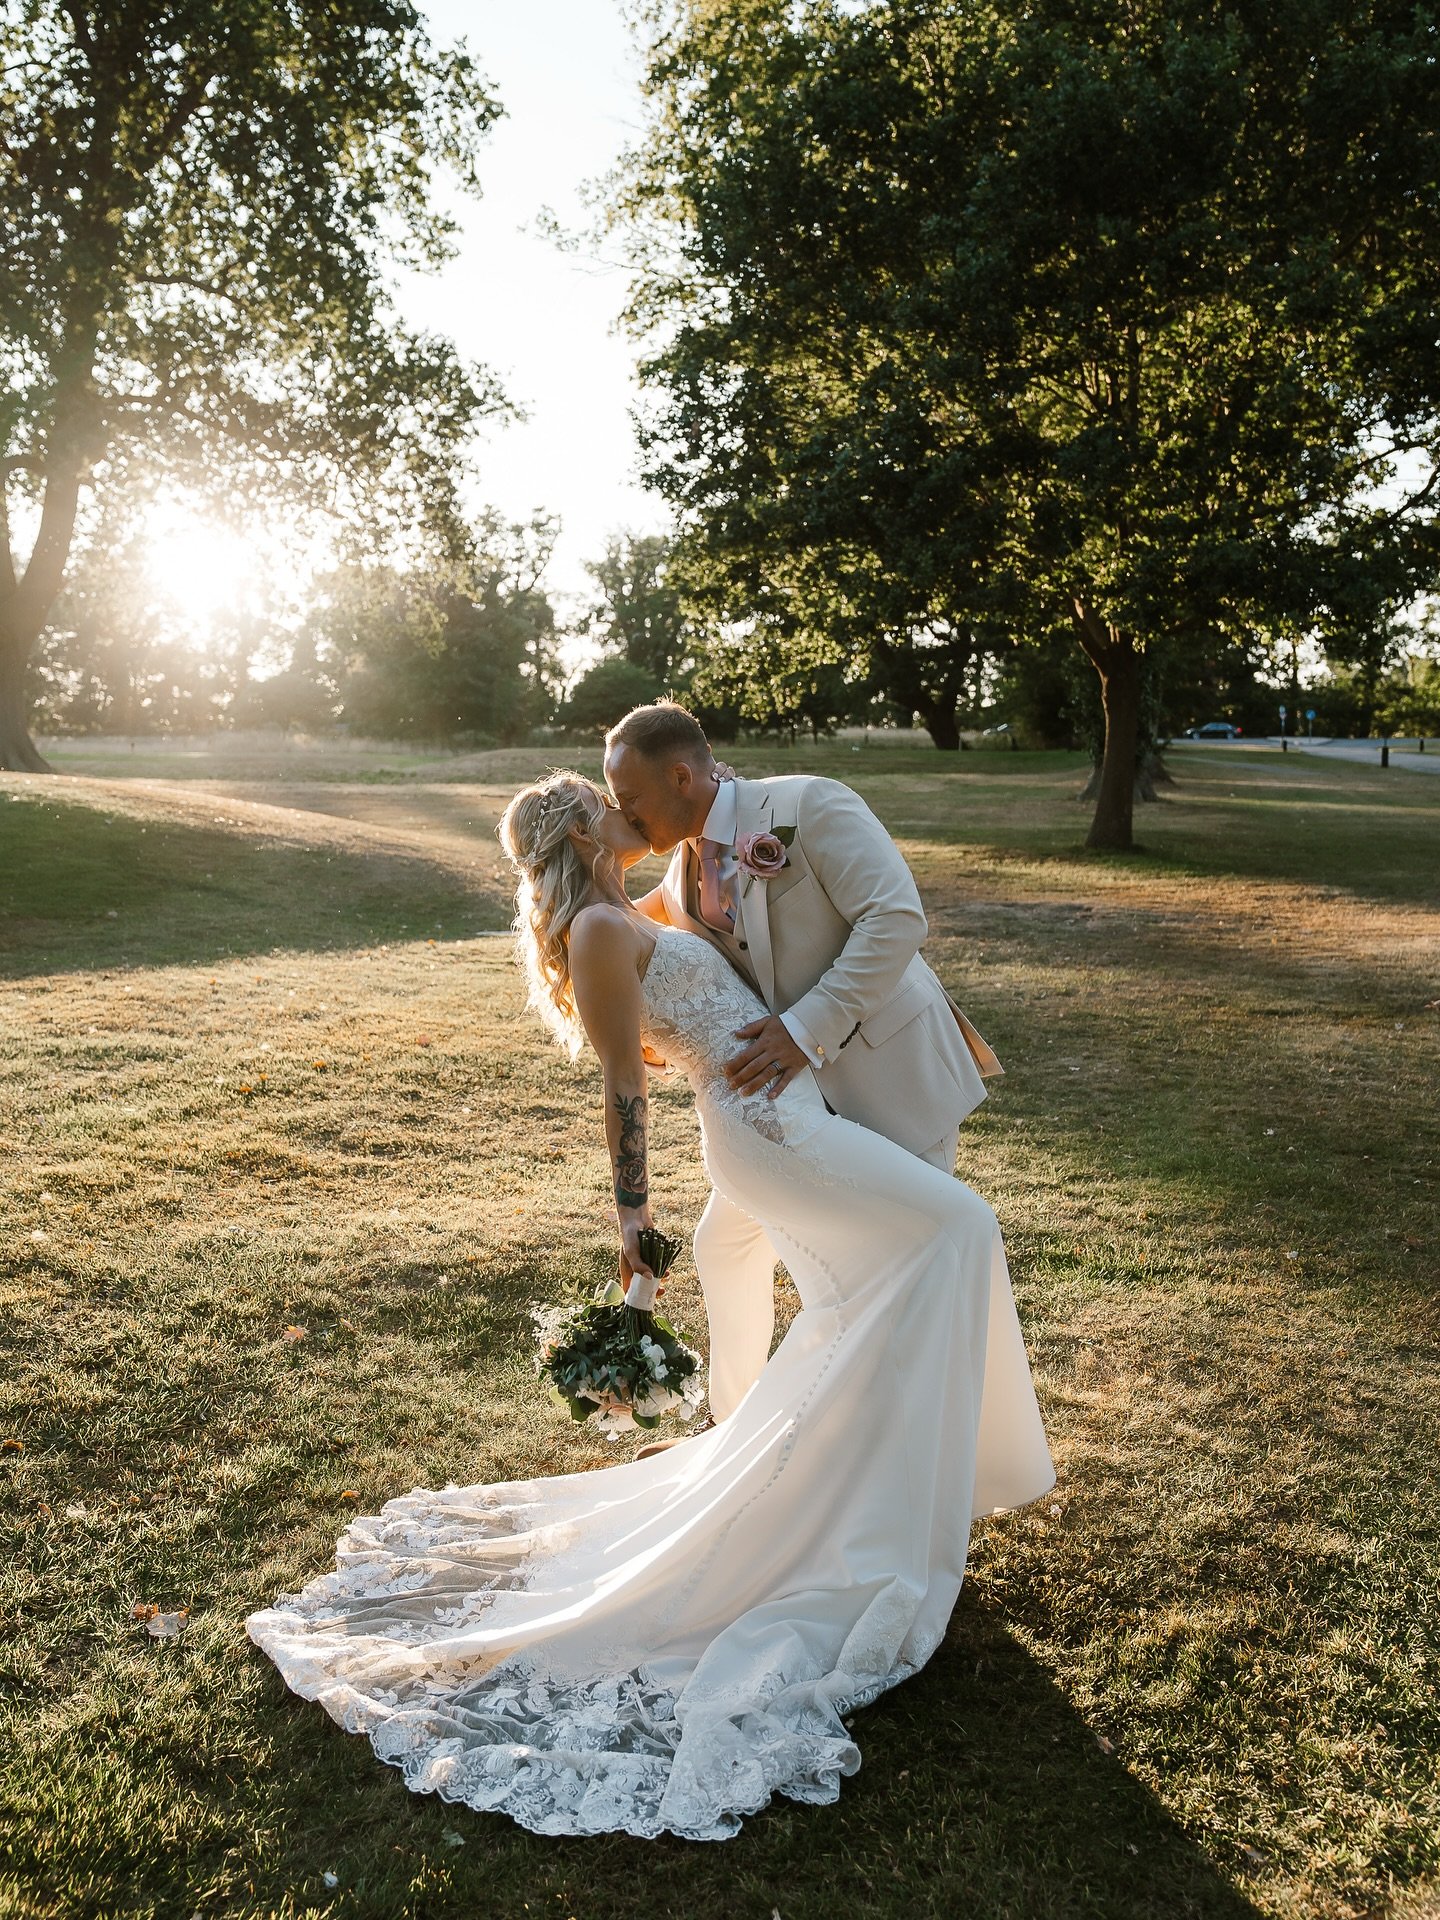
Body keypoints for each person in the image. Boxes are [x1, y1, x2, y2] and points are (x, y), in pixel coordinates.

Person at [245, 771, 1055, 1843]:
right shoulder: (593, 931)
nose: (635, 814)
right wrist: (635, 1231)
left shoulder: (638, 906)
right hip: (772, 1138)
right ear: (585, 830)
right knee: (958, 1229)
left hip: (796, 1115)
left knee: (865, 1297)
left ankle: (863, 1498)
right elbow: (624, 1084)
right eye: (612, 804)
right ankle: (906, 1497)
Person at [603, 701, 1004, 1438]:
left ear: (682, 776)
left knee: (902, 1269)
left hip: (892, 1072)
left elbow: (896, 918)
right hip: (794, 1110)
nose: (624, 815)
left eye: (630, 799)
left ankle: (909, 1447)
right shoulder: (682, 871)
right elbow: (628, 927)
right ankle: (736, 1428)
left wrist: (803, 1028)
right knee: (724, 1244)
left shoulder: (807, 804)